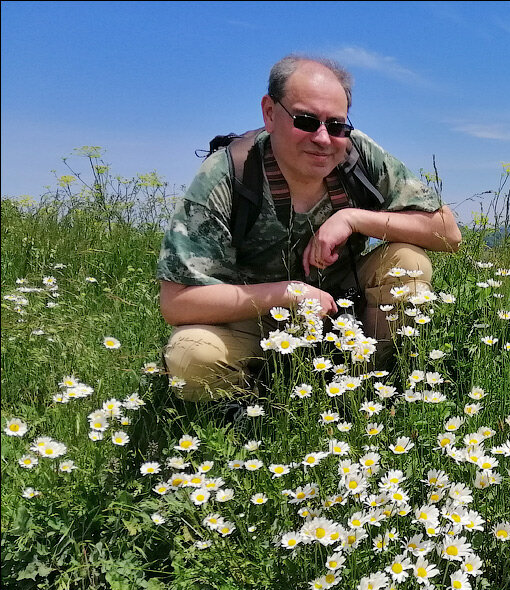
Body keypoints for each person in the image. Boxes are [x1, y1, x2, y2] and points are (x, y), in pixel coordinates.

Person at [157, 54, 461, 401]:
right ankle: (256, 411)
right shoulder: (229, 173)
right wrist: (289, 294)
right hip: (255, 319)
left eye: (336, 125)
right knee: (191, 355)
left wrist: (353, 218)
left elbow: (448, 233)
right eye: (305, 120)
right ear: (269, 113)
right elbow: (177, 303)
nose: (322, 138)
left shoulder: (356, 155)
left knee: (408, 260)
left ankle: (371, 385)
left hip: (346, 308)